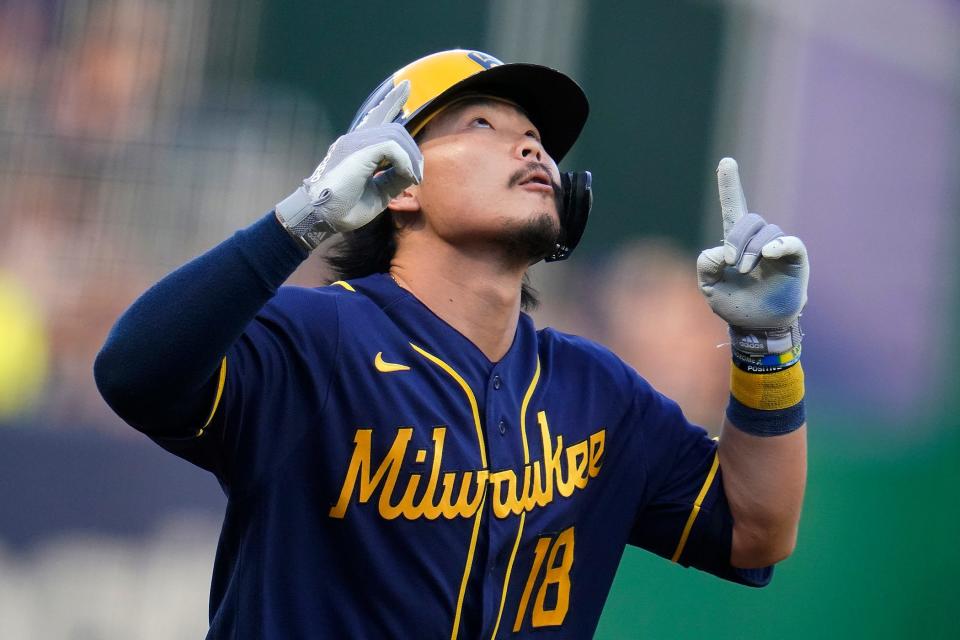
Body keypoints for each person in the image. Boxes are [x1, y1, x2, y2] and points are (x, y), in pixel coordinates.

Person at [94, 49, 809, 639]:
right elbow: (133, 372)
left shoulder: (597, 391)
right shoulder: (316, 339)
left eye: (536, 137)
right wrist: (302, 218)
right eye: (481, 122)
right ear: (394, 181)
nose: (530, 144)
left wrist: (767, 345)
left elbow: (755, 529)